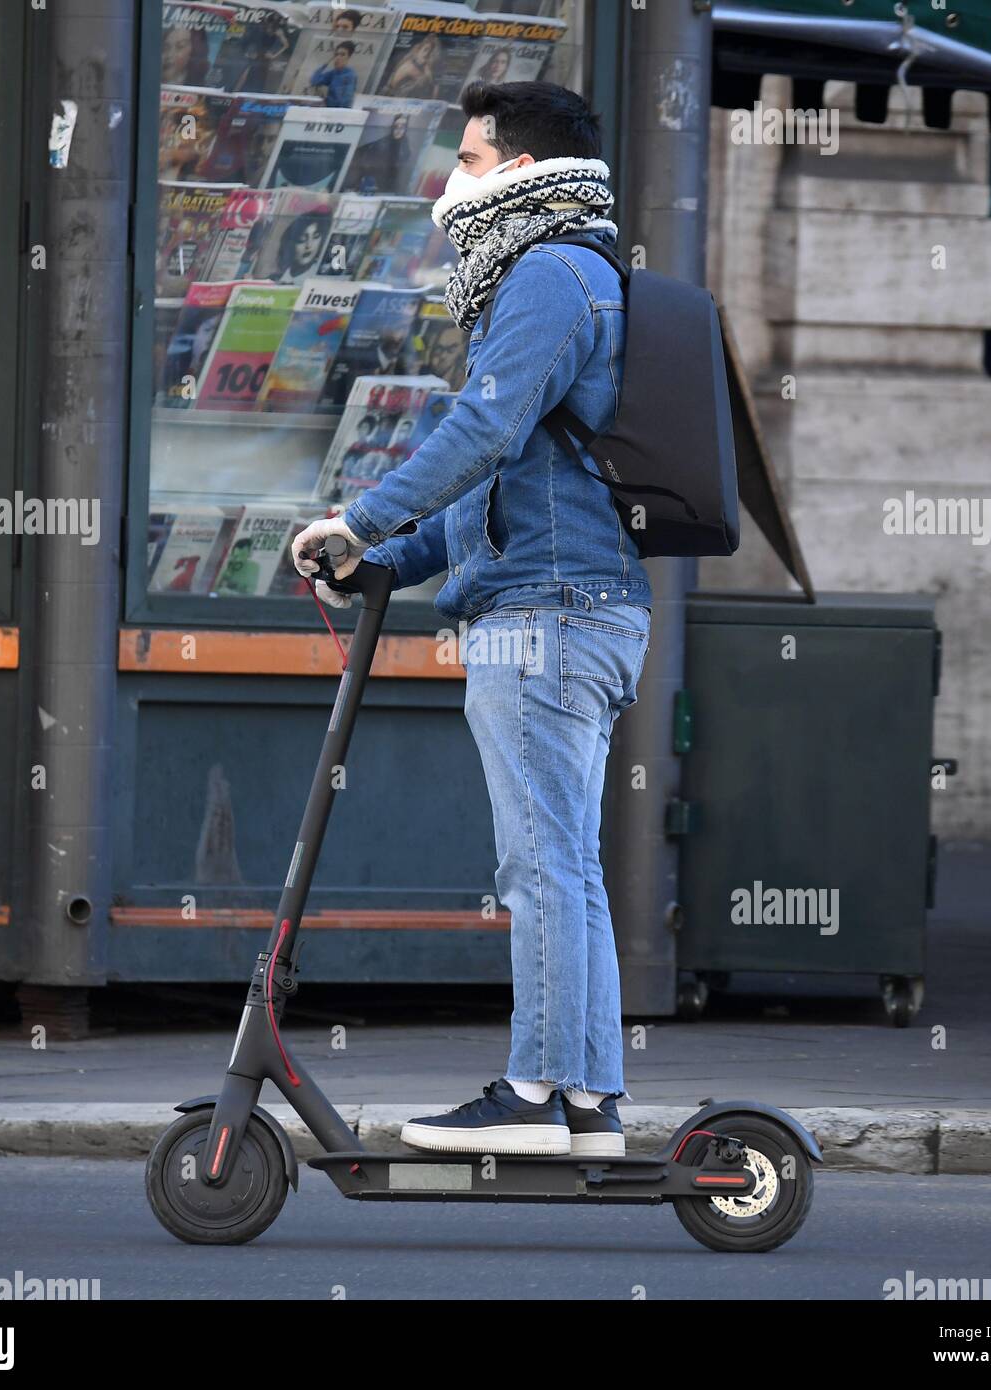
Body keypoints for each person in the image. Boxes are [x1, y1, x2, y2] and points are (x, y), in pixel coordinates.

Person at [291, 81, 651, 1161]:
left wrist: (356, 519)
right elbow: (514, 490)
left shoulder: (546, 275)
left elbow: (483, 432)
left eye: (470, 156)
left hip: (543, 619)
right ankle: (588, 1102)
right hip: (575, 602)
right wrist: (387, 560)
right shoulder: (581, 271)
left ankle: (534, 1091)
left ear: (521, 170)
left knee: (539, 865)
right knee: (567, 865)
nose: (456, 178)